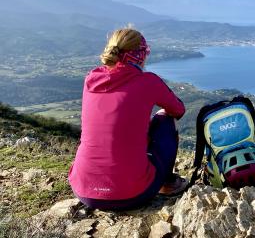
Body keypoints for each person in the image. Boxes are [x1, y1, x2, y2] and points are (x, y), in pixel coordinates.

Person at [68, 27, 187, 210]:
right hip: (131, 194)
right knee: (165, 120)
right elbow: (178, 110)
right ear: (140, 55)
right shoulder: (148, 81)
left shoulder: (92, 79)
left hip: (83, 190)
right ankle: (166, 184)